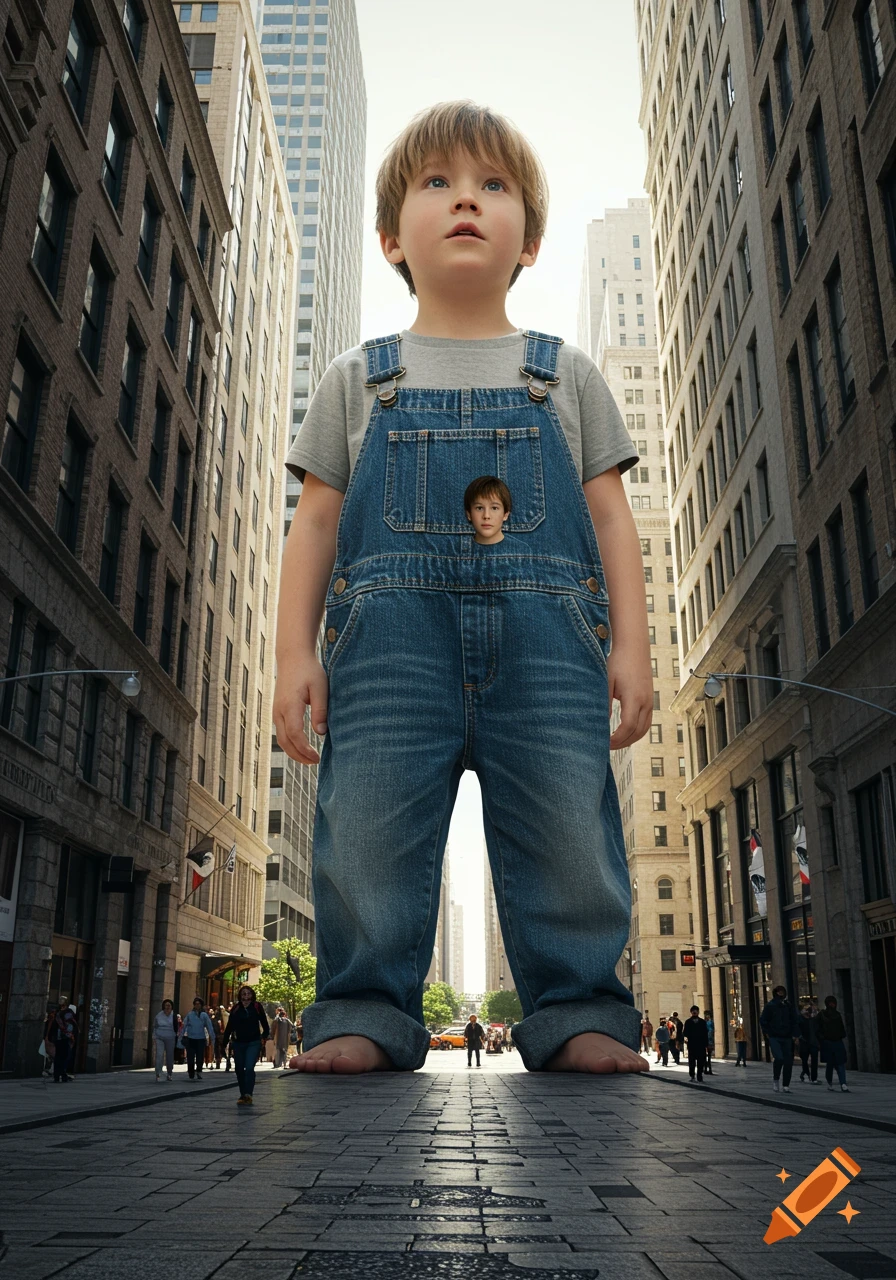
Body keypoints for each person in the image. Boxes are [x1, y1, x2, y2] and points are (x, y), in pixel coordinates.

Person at [274, 101, 652, 1077]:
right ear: (391, 235)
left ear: (528, 238)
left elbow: (609, 518)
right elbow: (314, 521)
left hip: (549, 648)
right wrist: (292, 655)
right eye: (436, 183)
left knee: (571, 827)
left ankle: (577, 1007)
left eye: (492, 186)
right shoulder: (357, 380)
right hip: (391, 653)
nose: (466, 202)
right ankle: (361, 1004)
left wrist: (630, 647)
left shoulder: (563, 374)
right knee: (365, 830)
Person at [222, 984, 270, 1104]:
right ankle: (243, 1094)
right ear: (240, 996)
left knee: (249, 1068)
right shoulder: (236, 1008)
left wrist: (262, 1037)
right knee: (239, 1068)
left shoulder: (257, 1007)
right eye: (244, 994)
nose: (246, 996)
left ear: (252, 995)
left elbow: (265, 1025)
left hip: (253, 1042)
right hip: (238, 1043)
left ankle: (248, 1093)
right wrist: (224, 1043)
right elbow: (229, 1027)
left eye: (248, 993)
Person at [759, 984, 799, 1093]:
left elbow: (794, 1020)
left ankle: (786, 1084)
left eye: (783, 992)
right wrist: (767, 1033)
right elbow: (763, 1020)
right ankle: (776, 1079)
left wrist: (795, 1034)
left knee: (788, 1061)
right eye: (779, 992)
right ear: (776, 993)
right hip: (775, 1036)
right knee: (779, 1058)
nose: (781, 994)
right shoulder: (770, 1005)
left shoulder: (788, 1005)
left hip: (786, 1036)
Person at [815, 995, 849, 1092]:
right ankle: (830, 1082)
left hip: (837, 1041)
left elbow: (841, 1028)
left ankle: (843, 1083)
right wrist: (822, 1038)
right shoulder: (822, 1015)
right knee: (830, 1064)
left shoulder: (837, 1015)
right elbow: (816, 1029)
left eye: (833, 1003)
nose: (832, 1005)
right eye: (830, 1003)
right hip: (827, 1042)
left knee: (840, 1063)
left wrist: (841, 1035)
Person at [181, 997, 216, 1081]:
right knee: (190, 1057)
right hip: (191, 1038)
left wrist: (212, 1036)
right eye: (196, 1004)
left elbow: (209, 1026)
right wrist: (181, 1036)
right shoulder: (190, 1015)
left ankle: (199, 1071)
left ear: (201, 1005)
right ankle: (191, 1072)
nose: (197, 1005)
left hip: (200, 1039)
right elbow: (184, 1025)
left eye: (199, 1004)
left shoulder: (204, 1015)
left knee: (200, 1057)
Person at [44, 1003, 76, 1083]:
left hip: (58, 1040)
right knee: (64, 1057)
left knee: (58, 1058)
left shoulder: (57, 1018)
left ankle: (57, 1076)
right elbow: (69, 1030)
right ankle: (62, 1074)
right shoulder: (62, 1020)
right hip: (63, 1040)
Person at [152, 999, 181, 1082]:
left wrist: (178, 1036)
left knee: (169, 1056)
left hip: (170, 1037)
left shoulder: (174, 1016)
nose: (167, 1007)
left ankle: (169, 1073)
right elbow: (155, 1026)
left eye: (169, 1005)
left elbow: (177, 1028)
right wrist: (154, 1036)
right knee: (159, 1055)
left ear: (172, 1007)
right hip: (159, 1037)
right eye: (166, 1005)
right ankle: (158, 1073)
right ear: (163, 1006)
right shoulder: (158, 1016)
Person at [683, 1006, 708, 1083]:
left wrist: (707, 1044)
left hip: (701, 1045)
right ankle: (692, 1075)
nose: (694, 1012)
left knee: (701, 1061)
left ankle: (699, 1075)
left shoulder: (702, 1022)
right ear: (691, 1012)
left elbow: (705, 1033)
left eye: (696, 1010)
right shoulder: (688, 1022)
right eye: (693, 1011)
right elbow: (685, 1033)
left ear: (698, 1012)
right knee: (692, 1061)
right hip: (692, 1044)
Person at [798, 1003, 820, 1084]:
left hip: (813, 1042)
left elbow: (818, 1030)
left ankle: (814, 1078)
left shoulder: (814, 1019)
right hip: (804, 1042)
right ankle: (806, 1073)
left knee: (814, 1061)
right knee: (804, 1060)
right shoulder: (801, 1019)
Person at [703, 1011, 715, 1076]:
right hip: (707, 1040)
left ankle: (708, 1069)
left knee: (708, 1056)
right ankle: (706, 1069)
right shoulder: (706, 1022)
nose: (706, 1016)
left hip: (708, 1040)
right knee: (706, 1056)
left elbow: (711, 1031)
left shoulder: (709, 1022)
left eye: (707, 1015)